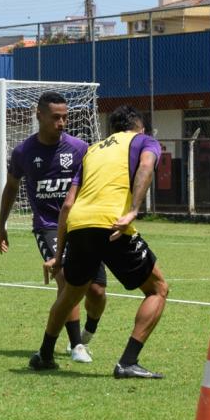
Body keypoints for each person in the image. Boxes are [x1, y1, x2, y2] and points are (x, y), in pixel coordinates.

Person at [30, 105, 169, 379]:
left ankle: (45, 354)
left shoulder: (92, 151)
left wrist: (60, 255)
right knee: (157, 290)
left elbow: (68, 204)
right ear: (139, 127)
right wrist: (133, 210)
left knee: (71, 293)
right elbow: (146, 166)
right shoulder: (144, 141)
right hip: (112, 223)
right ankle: (128, 362)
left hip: (79, 223)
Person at [0, 91, 107, 364]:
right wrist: (1, 225)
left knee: (96, 291)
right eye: (56, 117)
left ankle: (87, 333)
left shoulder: (80, 148)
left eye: (65, 117)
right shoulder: (24, 152)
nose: (62, 123)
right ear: (39, 116)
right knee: (67, 280)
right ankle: (76, 345)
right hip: (47, 226)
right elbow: (11, 188)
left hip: (81, 225)